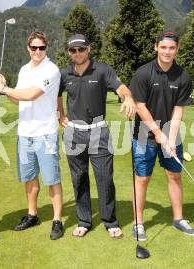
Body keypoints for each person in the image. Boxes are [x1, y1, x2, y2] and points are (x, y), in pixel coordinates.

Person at [57, 34, 135, 238]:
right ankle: (84, 220)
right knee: (79, 178)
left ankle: (110, 221)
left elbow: (121, 87)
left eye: (81, 49)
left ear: (88, 49)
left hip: (98, 131)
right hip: (74, 133)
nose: (77, 53)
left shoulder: (102, 70)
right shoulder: (64, 74)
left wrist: (127, 97)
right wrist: (61, 114)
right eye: (73, 50)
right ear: (69, 52)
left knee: (104, 178)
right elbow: (57, 94)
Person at [0, 31, 64, 240]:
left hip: (45, 132)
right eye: (33, 47)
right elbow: (20, 99)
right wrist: (6, 90)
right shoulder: (24, 70)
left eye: (41, 48)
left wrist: (5, 89)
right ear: (28, 48)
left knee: (52, 178)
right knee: (30, 177)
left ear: (46, 49)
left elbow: (32, 95)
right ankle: (32, 214)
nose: (37, 51)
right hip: (25, 133)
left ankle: (57, 220)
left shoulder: (51, 70)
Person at [129, 31, 194, 241]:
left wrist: (171, 137)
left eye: (172, 48)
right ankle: (138, 223)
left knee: (174, 175)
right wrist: (158, 133)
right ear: (156, 47)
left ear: (177, 49)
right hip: (144, 135)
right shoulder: (143, 73)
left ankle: (178, 219)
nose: (167, 52)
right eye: (163, 47)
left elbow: (178, 110)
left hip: (170, 133)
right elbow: (139, 106)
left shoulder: (183, 76)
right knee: (142, 178)